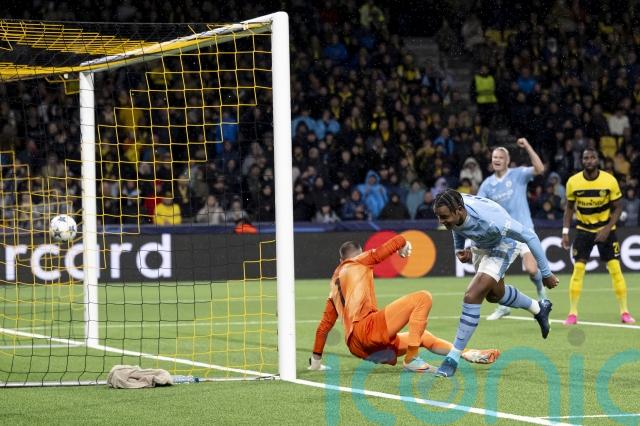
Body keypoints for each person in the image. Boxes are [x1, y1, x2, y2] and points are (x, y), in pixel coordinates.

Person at [309, 235, 500, 373]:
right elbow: (395, 242)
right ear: (358, 255)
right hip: (368, 330)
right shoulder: (358, 261)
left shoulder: (334, 287)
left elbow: (324, 327)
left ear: (340, 260)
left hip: (358, 348)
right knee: (423, 298)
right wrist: (404, 245)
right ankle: (412, 358)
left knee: (422, 336)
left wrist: (316, 361)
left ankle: (466, 353)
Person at [432, 189, 559, 377]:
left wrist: (546, 273)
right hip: (481, 244)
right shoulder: (454, 206)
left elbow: (529, 236)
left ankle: (453, 357)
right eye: (438, 217)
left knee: (472, 295)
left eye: (444, 217)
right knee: (494, 295)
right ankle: (539, 308)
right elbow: (457, 227)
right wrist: (459, 249)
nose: (441, 221)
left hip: (504, 243)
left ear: (459, 210)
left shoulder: (491, 221)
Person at [561, 148, 635, 325]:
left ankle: (625, 312)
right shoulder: (573, 182)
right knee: (578, 270)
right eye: (586, 158)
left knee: (615, 270)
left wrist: (607, 228)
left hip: (606, 230)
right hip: (583, 230)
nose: (589, 160)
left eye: (592, 157)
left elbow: (618, 207)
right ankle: (572, 313)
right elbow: (569, 208)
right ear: (582, 161)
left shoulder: (609, 180)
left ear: (597, 160)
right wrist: (565, 232)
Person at [477, 138, 547, 320]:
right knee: (496, 273)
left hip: (524, 231)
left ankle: (541, 291)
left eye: (500, 157)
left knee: (532, 270)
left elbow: (540, 169)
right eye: (494, 157)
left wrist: (528, 146)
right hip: (503, 235)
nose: (497, 160)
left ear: (507, 160)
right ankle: (503, 306)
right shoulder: (487, 184)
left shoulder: (518, 174)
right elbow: (479, 208)